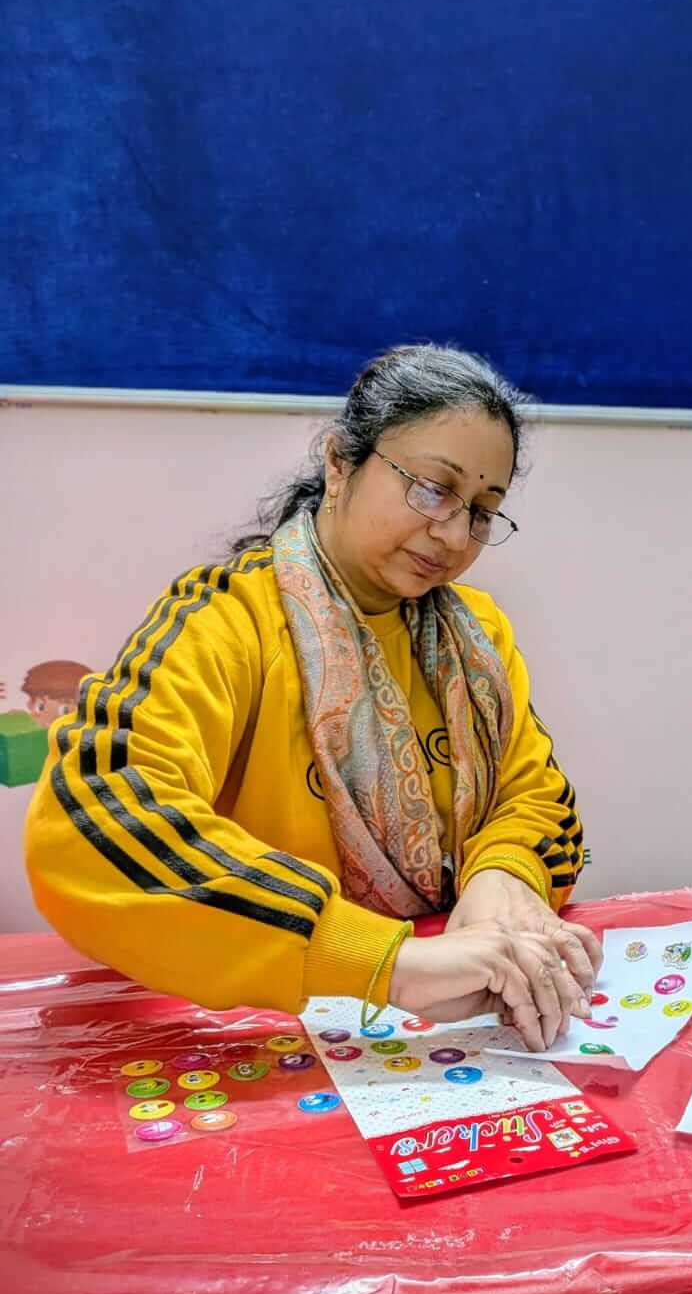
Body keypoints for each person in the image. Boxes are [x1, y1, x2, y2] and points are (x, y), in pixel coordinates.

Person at [25, 345, 599, 1050]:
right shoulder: (228, 622)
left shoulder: (477, 637)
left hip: (446, 1027)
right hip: (254, 1032)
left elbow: (534, 795)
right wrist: (385, 962)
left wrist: (503, 874)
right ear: (338, 463)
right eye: (432, 489)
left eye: (482, 511)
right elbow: (94, 819)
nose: (453, 534)